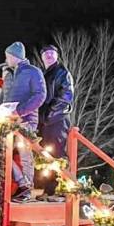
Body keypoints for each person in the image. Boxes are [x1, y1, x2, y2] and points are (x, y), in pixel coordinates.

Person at [0, 41, 46, 202]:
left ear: (14, 56)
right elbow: (4, 98)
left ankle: (27, 188)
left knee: (25, 154)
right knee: (2, 153)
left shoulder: (33, 72)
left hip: (25, 121)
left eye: (7, 56)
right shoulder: (10, 74)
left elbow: (40, 95)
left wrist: (21, 111)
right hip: (6, 122)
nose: (6, 59)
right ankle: (20, 183)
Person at [38, 45, 74, 195]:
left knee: (57, 154)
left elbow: (66, 96)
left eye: (52, 53)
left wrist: (49, 114)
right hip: (45, 121)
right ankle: (48, 190)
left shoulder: (62, 73)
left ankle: (58, 190)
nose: (49, 56)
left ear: (57, 56)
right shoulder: (44, 74)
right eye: (46, 53)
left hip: (57, 119)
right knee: (46, 155)